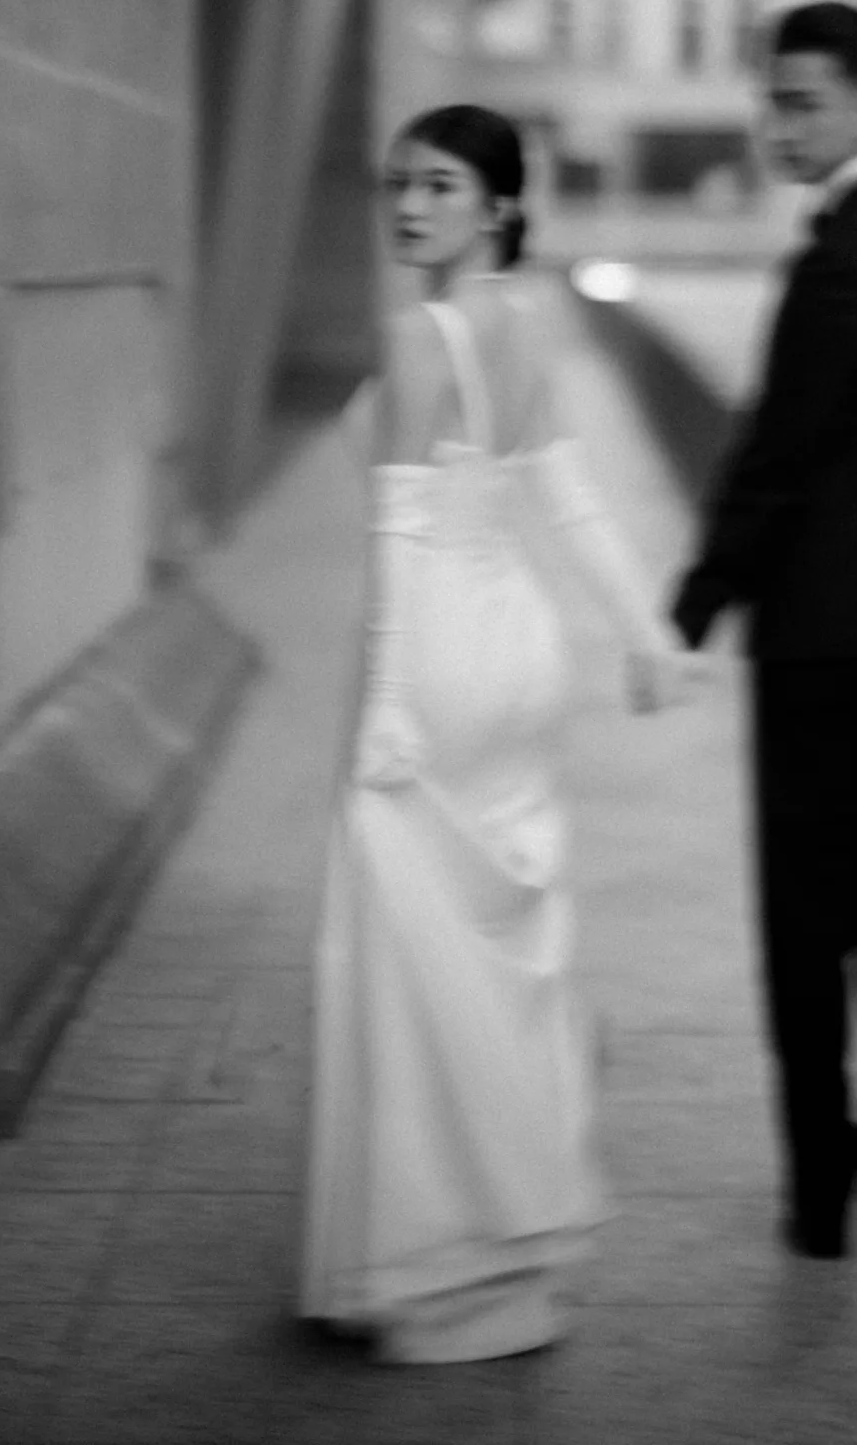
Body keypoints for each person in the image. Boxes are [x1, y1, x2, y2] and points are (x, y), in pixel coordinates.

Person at [301, 103, 683, 1359]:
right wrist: (643, 633)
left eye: (443, 185)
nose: (411, 205)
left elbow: (399, 535)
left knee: (416, 951)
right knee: (500, 942)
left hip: (445, 661)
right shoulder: (528, 323)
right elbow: (567, 500)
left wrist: (389, 711)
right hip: (518, 651)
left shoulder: (419, 335)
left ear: (502, 206)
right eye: (400, 182)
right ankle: (509, 1248)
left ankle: (443, 1268)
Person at [671, 3, 857, 1260]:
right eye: (770, 99)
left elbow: (781, 449)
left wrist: (704, 585)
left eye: (799, 101)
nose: (774, 123)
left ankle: (818, 1193)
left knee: (804, 909)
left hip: (822, 635)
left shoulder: (842, 258)